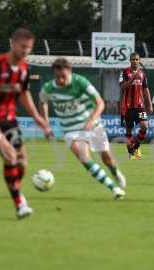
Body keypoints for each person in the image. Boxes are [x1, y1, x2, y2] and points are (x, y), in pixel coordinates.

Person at [0, 28, 51, 219]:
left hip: (9, 120)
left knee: (21, 162)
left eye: (29, 47)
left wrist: (38, 118)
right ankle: (20, 204)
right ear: (13, 43)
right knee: (9, 155)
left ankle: (15, 187)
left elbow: (24, 94)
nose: (25, 50)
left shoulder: (24, 70)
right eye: (22, 46)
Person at [39, 58, 126, 200]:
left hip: (93, 125)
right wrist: (46, 126)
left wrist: (91, 120)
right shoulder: (48, 88)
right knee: (84, 159)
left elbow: (100, 102)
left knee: (107, 158)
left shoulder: (80, 82)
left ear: (70, 72)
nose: (60, 80)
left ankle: (115, 172)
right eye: (57, 77)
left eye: (63, 76)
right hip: (71, 130)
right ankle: (114, 188)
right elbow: (42, 103)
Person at [120, 52, 153, 160]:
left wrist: (149, 104)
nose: (135, 61)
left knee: (144, 126)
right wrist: (132, 79)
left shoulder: (142, 74)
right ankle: (131, 153)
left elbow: (145, 89)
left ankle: (136, 147)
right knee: (129, 130)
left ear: (139, 61)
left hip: (139, 106)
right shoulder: (124, 72)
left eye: (137, 59)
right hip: (127, 107)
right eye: (133, 59)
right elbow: (122, 87)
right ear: (130, 61)